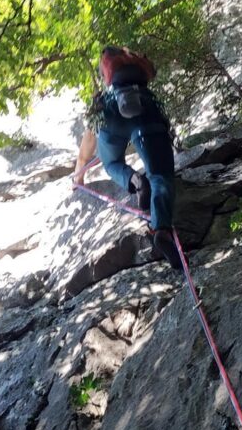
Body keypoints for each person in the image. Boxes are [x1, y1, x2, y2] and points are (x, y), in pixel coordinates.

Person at [73, 45, 181, 270]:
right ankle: (161, 229)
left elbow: (89, 140)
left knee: (111, 163)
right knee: (160, 176)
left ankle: (134, 181)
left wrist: (79, 173)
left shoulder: (103, 98)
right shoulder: (145, 91)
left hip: (110, 116)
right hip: (145, 111)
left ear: (106, 75)